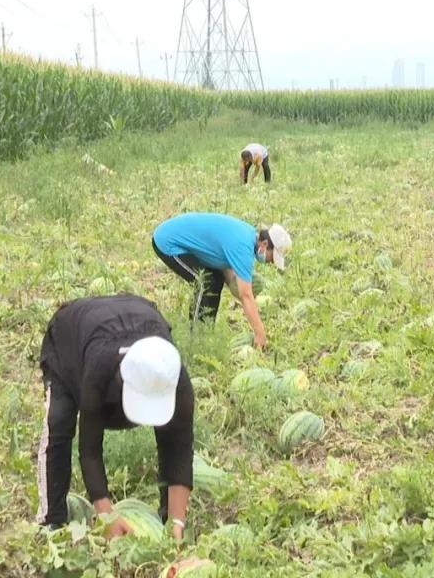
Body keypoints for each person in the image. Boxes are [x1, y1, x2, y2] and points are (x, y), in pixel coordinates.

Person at [35, 294, 194, 540]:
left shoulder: (173, 376)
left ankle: (167, 521)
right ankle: (50, 522)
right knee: (59, 423)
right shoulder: (99, 372)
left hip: (138, 314)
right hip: (69, 339)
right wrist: (106, 515)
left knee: (170, 432)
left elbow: (180, 448)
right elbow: (89, 451)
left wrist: (177, 522)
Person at [152, 212, 292, 349]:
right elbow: (246, 296)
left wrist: (232, 281)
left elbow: (221, 260)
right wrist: (260, 333)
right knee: (205, 282)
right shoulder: (242, 247)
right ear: (265, 244)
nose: (271, 262)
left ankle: (205, 333)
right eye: (272, 257)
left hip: (181, 242)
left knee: (215, 279)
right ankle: (195, 339)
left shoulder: (247, 236)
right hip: (168, 242)